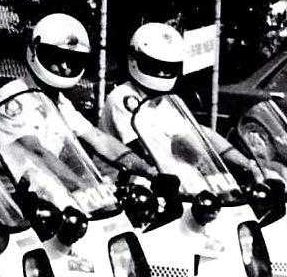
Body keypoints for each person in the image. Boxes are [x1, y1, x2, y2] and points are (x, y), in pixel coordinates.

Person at [0, 12, 152, 201]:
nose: (64, 66)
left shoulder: (59, 102)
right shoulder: (12, 100)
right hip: (9, 201)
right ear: (36, 51)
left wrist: (150, 171)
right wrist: (88, 189)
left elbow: (99, 140)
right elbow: (36, 153)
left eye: (73, 60)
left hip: (47, 197)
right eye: (56, 57)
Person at [102, 22, 264, 184]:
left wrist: (250, 165)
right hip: (126, 182)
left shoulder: (167, 101)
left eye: (168, 67)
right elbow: (145, 149)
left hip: (163, 177)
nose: (162, 73)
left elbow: (202, 135)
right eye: (154, 65)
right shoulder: (124, 98)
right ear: (134, 59)